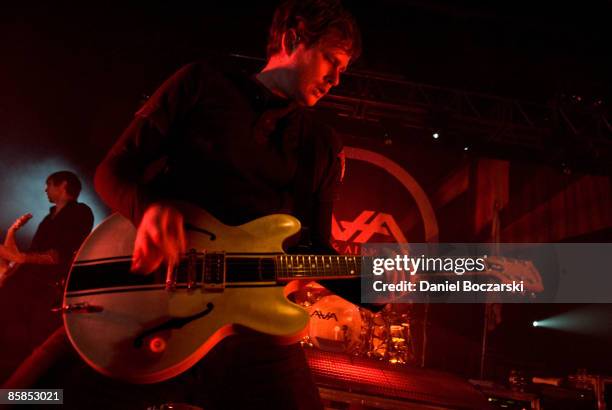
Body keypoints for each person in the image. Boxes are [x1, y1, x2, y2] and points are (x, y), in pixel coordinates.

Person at [92, 1, 362, 408]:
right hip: (149, 303)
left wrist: (375, 284)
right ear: (292, 39)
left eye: (343, 69)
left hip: (252, 331)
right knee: (31, 394)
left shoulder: (322, 144)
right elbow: (112, 171)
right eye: (331, 60)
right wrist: (148, 209)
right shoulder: (201, 82)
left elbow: (313, 248)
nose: (336, 80)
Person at [0, 170, 94, 384]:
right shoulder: (47, 219)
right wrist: (11, 235)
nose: (45, 189)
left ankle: (30, 399)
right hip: (23, 293)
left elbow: (57, 257)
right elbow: (23, 257)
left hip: (42, 296)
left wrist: (21, 258)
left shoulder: (79, 213)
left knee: (30, 360)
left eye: (49, 184)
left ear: (63, 186)